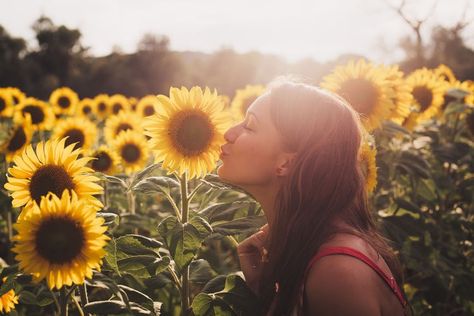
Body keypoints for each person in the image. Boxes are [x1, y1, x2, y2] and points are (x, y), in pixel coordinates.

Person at [217, 78, 411, 315]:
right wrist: (264, 293)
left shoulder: (338, 272)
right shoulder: (312, 250)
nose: (228, 133)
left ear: (286, 162)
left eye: (249, 126)